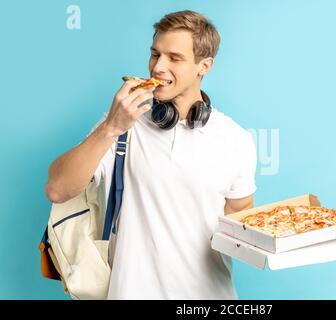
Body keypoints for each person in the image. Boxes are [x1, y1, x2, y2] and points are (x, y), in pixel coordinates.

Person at [45, 10, 257, 300]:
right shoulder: (122, 124)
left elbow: (240, 211)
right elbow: (57, 189)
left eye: (175, 57)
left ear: (204, 65)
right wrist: (110, 127)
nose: (158, 67)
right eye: (155, 54)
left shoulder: (236, 139)